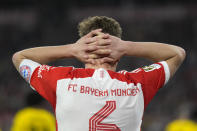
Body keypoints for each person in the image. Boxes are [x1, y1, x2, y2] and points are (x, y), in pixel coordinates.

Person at [12, 16, 186, 131]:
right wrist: (127, 47)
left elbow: (20, 57)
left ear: (83, 52)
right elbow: (177, 54)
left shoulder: (61, 81)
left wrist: (71, 49)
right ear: (117, 56)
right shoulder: (137, 84)